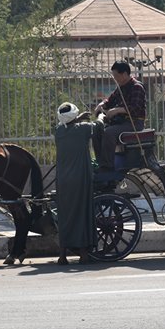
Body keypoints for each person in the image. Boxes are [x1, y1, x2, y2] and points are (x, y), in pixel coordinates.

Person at [53, 102, 104, 264]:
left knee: (65, 216)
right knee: (82, 213)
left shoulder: (59, 131)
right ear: (74, 117)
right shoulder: (82, 129)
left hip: (63, 180)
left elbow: (68, 125)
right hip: (80, 178)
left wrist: (78, 118)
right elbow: (99, 125)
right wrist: (101, 115)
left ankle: (63, 255)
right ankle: (83, 254)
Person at [91, 61, 146, 172]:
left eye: (116, 76)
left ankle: (107, 167)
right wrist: (101, 105)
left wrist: (117, 110)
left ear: (124, 74)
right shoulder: (120, 88)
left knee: (109, 133)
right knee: (96, 130)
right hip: (120, 123)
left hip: (134, 123)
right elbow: (109, 101)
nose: (115, 79)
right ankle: (101, 162)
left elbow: (135, 109)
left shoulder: (137, 87)